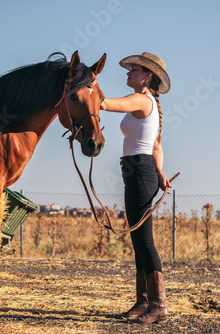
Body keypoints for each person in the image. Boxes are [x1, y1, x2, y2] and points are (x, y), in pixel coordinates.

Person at [100, 52, 171, 324]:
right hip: (139, 171)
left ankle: (159, 306)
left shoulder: (141, 100)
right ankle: (144, 302)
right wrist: (160, 171)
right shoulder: (145, 102)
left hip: (140, 172)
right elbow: (156, 146)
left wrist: (87, 91)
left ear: (147, 75)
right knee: (138, 241)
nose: (128, 72)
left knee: (144, 241)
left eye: (134, 69)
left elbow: (106, 103)